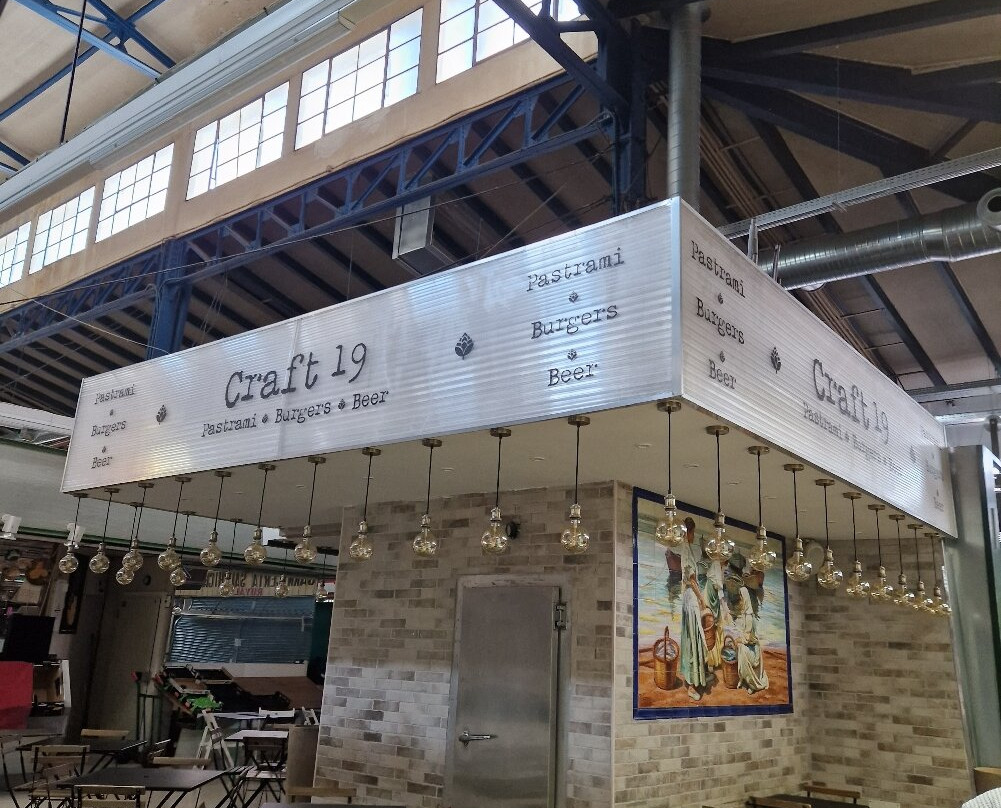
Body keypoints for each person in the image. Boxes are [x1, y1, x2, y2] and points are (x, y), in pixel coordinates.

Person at [679, 566, 710, 701]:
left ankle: (699, 676)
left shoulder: (687, 555)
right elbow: (692, 581)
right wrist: (702, 599)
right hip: (691, 600)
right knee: (693, 642)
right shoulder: (688, 557)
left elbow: (689, 581)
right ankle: (692, 685)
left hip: (689, 598)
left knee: (693, 640)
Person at [736, 616, 769, 694]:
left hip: (752, 647)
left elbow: (747, 639)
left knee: (742, 650)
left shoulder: (749, 618)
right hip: (752, 645)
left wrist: (738, 641)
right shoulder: (747, 616)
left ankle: (752, 684)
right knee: (741, 648)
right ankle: (745, 679)